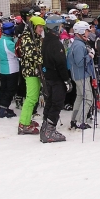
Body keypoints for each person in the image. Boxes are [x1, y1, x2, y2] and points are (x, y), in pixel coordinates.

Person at [40, 14, 71, 142]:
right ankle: (49, 131)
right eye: (60, 26)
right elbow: (60, 63)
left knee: (51, 101)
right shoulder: (55, 43)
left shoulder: (46, 40)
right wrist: (66, 80)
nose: (61, 29)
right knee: (57, 103)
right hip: (56, 78)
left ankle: (45, 127)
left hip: (49, 76)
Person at [18, 16, 46, 134]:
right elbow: (31, 54)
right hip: (30, 72)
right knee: (31, 98)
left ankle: (27, 119)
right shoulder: (26, 38)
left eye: (42, 27)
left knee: (34, 98)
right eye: (39, 27)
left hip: (36, 71)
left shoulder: (36, 37)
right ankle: (23, 124)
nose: (41, 29)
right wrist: (42, 59)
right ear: (33, 26)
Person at [67, 21, 95, 129]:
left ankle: (74, 119)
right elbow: (80, 63)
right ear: (81, 31)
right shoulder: (79, 45)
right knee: (88, 98)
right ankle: (80, 121)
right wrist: (90, 55)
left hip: (79, 75)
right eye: (87, 31)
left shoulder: (79, 43)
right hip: (81, 75)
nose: (88, 33)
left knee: (80, 97)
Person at [0, 21, 19, 118]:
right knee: (10, 90)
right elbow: (17, 53)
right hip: (11, 68)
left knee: (3, 88)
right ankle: (3, 109)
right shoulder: (9, 43)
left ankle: (0, 106)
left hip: (3, 68)